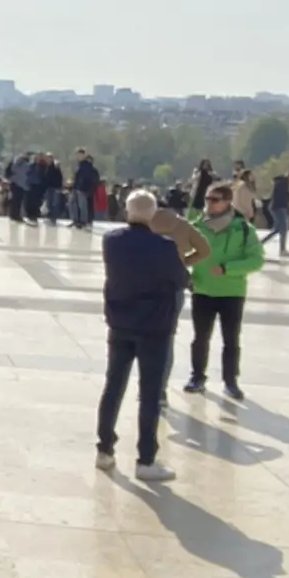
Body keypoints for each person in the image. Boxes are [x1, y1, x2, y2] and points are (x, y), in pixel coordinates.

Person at [98, 191, 186, 483]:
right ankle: (145, 459)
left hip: (120, 323)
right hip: (154, 327)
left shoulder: (111, 241)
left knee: (113, 387)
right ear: (153, 214)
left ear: (126, 210)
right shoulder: (164, 246)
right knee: (149, 395)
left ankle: (105, 449)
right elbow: (181, 279)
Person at [184, 181, 265, 401]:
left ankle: (231, 381)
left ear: (228, 202)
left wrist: (228, 269)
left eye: (215, 200)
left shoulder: (244, 229)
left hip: (231, 291)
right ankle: (197, 377)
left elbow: (256, 260)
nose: (209, 204)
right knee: (200, 337)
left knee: (231, 339)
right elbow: (179, 251)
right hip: (202, 289)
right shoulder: (195, 226)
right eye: (207, 199)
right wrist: (185, 275)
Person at [260, 169, 289, 256]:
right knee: (283, 229)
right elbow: (281, 196)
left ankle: (260, 244)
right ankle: (282, 250)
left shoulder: (281, 182)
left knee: (277, 230)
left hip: (277, 207)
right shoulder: (283, 183)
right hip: (279, 207)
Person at [71, 149, 100, 229]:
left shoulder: (86, 165)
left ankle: (83, 221)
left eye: (80, 155)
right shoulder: (78, 165)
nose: (78, 157)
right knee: (73, 204)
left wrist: (84, 187)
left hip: (82, 188)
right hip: (76, 187)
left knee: (82, 205)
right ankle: (76, 220)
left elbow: (87, 178)